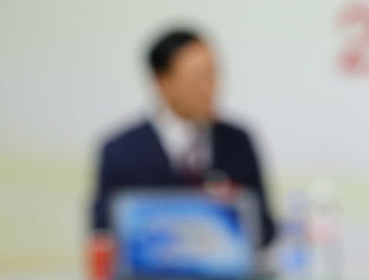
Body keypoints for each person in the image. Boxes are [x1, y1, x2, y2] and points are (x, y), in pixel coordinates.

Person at [91, 29, 276, 246]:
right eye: (197, 78)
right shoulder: (121, 151)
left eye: (212, 75)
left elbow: (264, 226)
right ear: (162, 81)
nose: (209, 88)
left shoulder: (237, 142)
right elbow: (104, 232)